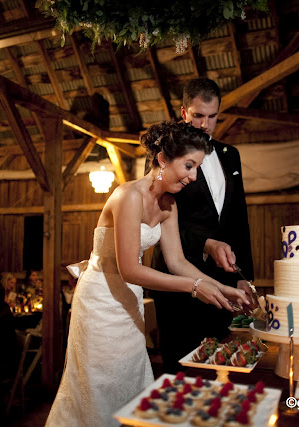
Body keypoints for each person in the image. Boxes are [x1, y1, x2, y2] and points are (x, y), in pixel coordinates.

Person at [45, 120, 251, 427]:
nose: (193, 177)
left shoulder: (169, 205)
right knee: (98, 389)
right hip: (99, 303)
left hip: (130, 302)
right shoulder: (127, 196)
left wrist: (222, 287)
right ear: (163, 160)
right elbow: (130, 268)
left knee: (130, 381)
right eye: (189, 166)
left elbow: (178, 261)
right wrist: (195, 288)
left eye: (198, 169)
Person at [151, 77, 256, 373]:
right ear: (184, 112)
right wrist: (206, 244)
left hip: (220, 279)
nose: (205, 125)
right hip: (177, 277)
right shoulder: (166, 154)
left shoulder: (230, 155)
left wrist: (243, 275)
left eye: (212, 117)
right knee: (183, 368)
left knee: (220, 366)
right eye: (198, 116)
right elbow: (161, 221)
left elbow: (238, 220)